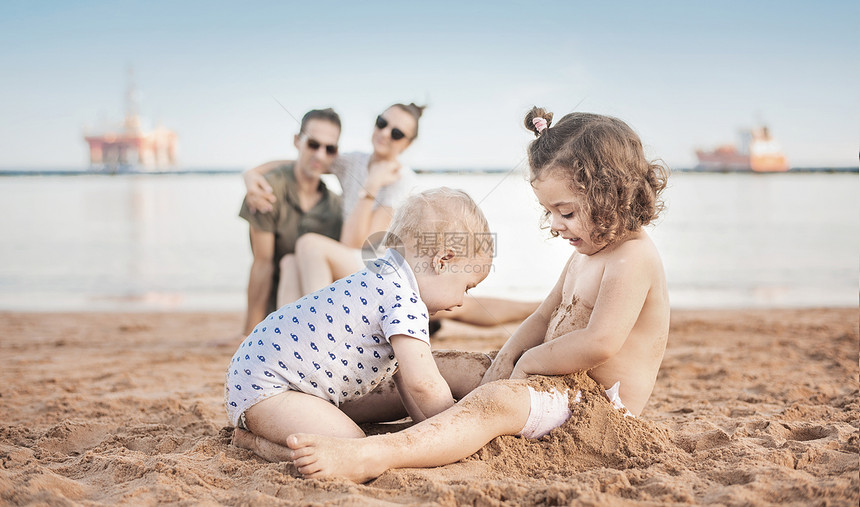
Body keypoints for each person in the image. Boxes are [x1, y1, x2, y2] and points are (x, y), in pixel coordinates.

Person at [268, 108, 671, 483]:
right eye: (549, 212)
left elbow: (601, 342)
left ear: (611, 192)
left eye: (565, 212)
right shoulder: (588, 254)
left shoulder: (632, 257)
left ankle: (379, 452)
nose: (554, 225)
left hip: (592, 405)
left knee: (494, 402)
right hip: (547, 384)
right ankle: (318, 409)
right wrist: (507, 358)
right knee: (432, 366)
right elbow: (541, 318)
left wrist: (527, 362)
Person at [225, 188, 496, 446]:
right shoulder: (404, 300)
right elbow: (424, 385)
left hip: (261, 372)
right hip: (268, 388)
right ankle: (257, 444)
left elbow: (406, 382)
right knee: (350, 445)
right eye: (467, 287)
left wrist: (429, 427)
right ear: (443, 260)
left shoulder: (382, 276)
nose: (461, 301)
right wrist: (458, 428)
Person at [244, 103, 538, 330]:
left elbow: (357, 243)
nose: (385, 134)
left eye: (396, 133)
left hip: (386, 267)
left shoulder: (399, 180)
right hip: (359, 266)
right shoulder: (354, 162)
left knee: (309, 244)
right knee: (289, 260)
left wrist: (371, 186)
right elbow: (310, 161)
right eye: (382, 123)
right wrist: (253, 174)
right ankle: (285, 334)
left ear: (406, 144)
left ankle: (321, 331)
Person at [238, 108, 344, 336]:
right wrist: (249, 333)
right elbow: (262, 264)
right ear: (297, 141)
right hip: (276, 305)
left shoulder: (336, 207)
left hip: (318, 302)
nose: (320, 154)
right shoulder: (267, 190)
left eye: (330, 148)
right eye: (313, 144)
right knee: (289, 261)